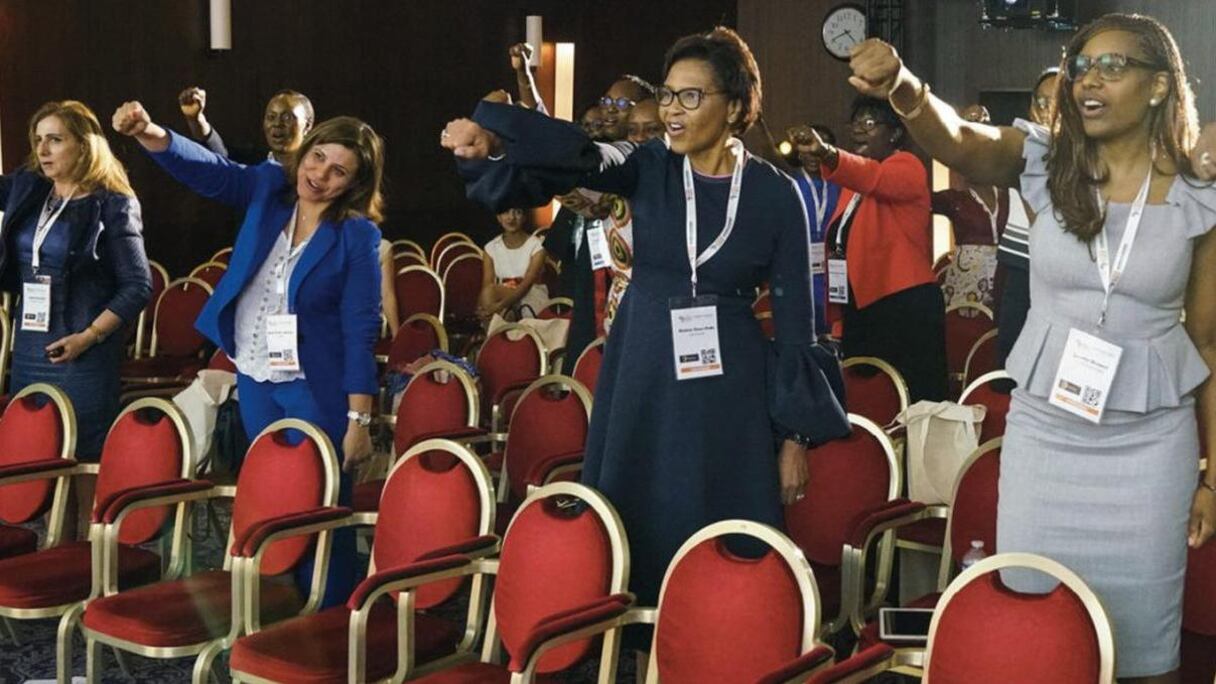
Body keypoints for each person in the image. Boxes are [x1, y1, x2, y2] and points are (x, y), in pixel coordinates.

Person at [442, 27, 843, 664]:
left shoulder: (775, 192)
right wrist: (493, 136)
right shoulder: (648, 163)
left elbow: (801, 319)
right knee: (638, 506)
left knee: (722, 512)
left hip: (731, 376)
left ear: (736, 107)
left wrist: (795, 436)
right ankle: (632, 650)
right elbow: (583, 159)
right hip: (644, 358)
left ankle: (724, 645)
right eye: (669, 95)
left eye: (691, 97)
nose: (673, 111)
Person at [847, 13, 1216, 681]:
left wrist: (1213, 476)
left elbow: (1209, 342)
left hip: (1149, 449)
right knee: (1030, 630)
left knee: (1142, 645)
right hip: (1047, 441)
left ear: (1161, 86)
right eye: (1081, 67)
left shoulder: (1199, 192)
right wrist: (903, 85)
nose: (1088, 81)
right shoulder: (1045, 161)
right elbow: (961, 141)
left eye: (1112, 67)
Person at [113, 101, 384, 608]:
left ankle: (332, 615)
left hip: (315, 386)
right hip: (256, 374)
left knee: (322, 504)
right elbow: (212, 172)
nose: (320, 174)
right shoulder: (269, 189)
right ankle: (282, 609)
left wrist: (359, 419)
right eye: (317, 157)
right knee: (273, 498)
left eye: (338, 171)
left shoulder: (356, 235)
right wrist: (151, 132)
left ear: (353, 184)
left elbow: (360, 328)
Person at [0, 101, 151, 539]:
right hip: (31, 348)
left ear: (84, 145)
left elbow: (138, 286)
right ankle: (55, 556)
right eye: (38, 140)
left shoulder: (113, 204)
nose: (43, 150)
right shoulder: (30, 189)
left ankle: (91, 558)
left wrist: (89, 336)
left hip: (84, 352)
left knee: (83, 460)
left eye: (55, 139)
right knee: (41, 458)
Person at [801, 97, 947, 401]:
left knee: (912, 402)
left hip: (904, 306)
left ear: (895, 133)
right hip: (863, 308)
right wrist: (840, 320)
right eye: (855, 123)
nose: (858, 130)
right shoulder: (853, 183)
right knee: (867, 401)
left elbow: (874, 178)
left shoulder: (906, 166)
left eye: (868, 123)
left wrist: (827, 153)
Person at [994, 67, 1060, 365]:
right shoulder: (1022, 143)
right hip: (1019, 262)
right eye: (1041, 102)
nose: (1047, 109)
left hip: (1063, 270)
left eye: (1056, 101)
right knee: (1011, 351)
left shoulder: (1091, 151)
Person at [933, 105, 1008, 311]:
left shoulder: (1009, 196)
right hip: (966, 286)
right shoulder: (953, 200)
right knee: (965, 329)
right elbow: (912, 200)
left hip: (1003, 280)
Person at [178, 86, 315, 166]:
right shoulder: (254, 165)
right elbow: (221, 155)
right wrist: (196, 119)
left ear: (307, 126)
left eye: (287, 118)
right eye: (271, 117)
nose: (277, 124)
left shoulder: (317, 171)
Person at [790, 123, 841, 335]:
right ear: (798, 152)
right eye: (807, 149)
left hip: (833, 268)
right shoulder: (789, 182)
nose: (813, 156)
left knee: (834, 326)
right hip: (799, 267)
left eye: (818, 149)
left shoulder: (840, 184)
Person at [478, 207, 548, 320]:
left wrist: (499, 306)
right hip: (501, 296)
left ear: (524, 217)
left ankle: (499, 326)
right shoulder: (491, 247)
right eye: (506, 212)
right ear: (499, 217)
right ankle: (497, 328)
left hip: (531, 297)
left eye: (517, 212)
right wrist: (484, 307)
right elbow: (487, 285)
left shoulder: (537, 246)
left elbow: (526, 285)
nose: (511, 218)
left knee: (493, 301)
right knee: (488, 294)